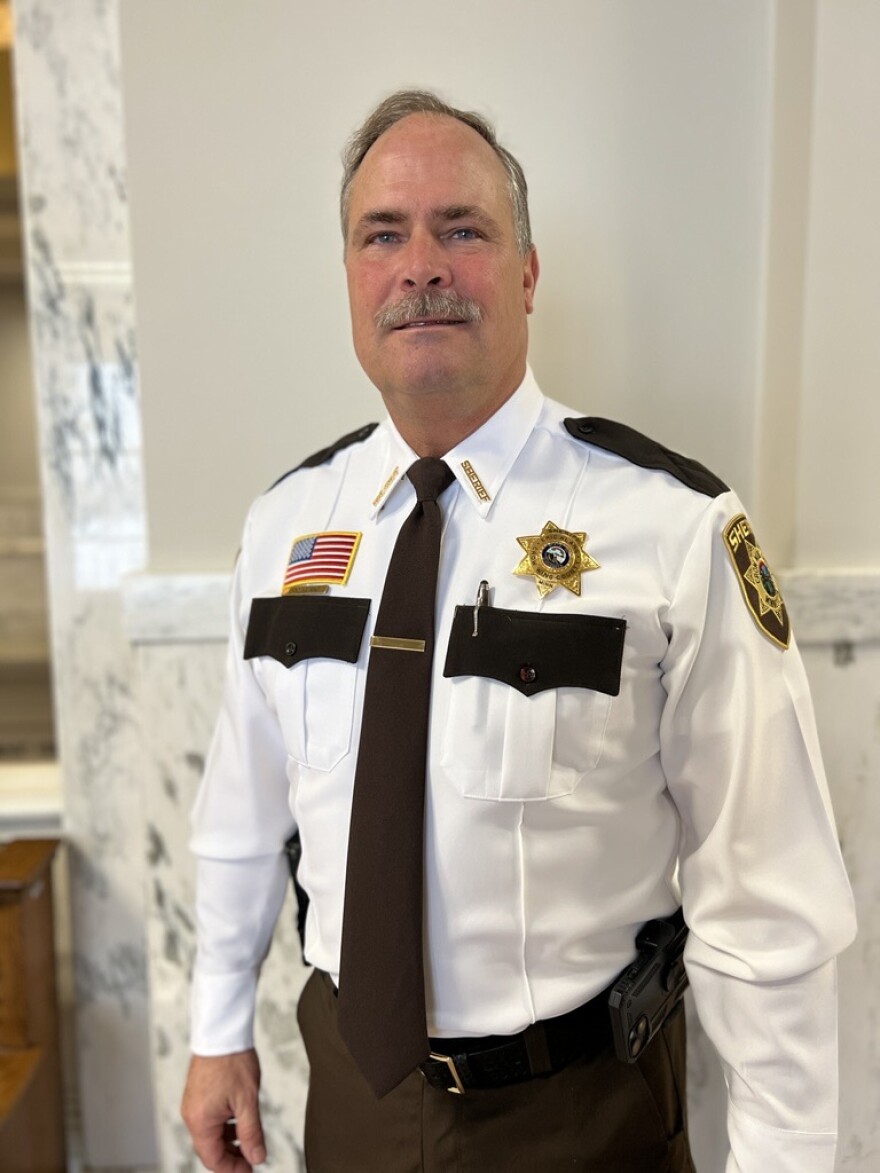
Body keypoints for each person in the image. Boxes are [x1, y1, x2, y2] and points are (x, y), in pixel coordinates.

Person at [180, 90, 856, 1172]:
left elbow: (762, 894)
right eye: (382, 236)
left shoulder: (671, 527)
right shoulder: (284, 526)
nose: (421, 266)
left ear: (527, 274)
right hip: (358, 1103)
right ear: (350, 282)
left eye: (462, 229)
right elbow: (242, 810)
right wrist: (216, 1029)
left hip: (585, 1115)